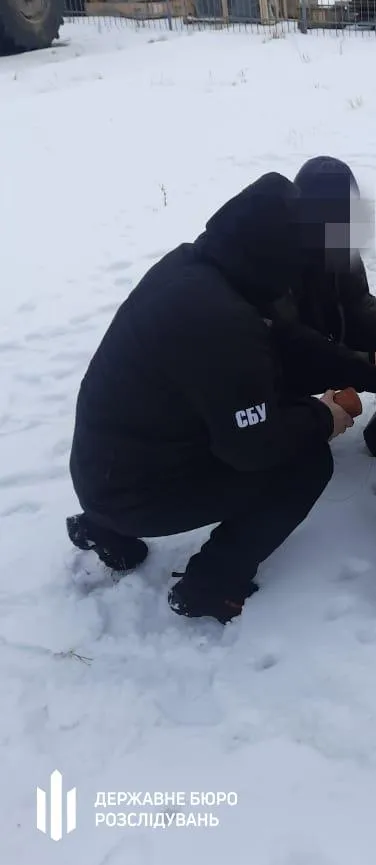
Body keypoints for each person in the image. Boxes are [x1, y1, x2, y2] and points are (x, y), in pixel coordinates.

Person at [66, 172, 356, 624]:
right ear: (274, 258)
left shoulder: (199, 268)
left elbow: (287, 341)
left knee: (249, 412)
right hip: (132, 490)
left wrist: (363, 366)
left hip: (103, 466)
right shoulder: (221, 322)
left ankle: (105, 526)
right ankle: (212, 586)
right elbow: (253, 448)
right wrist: (324, 417)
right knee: (305, 465)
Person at [268, 156, 376, 456]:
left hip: (318, 340)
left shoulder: (338, 237)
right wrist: (363, 363)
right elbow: (291, 346)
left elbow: (357, 301)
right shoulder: (275, 260)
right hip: (278, 362)